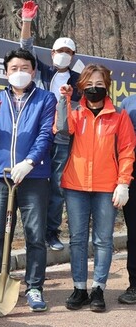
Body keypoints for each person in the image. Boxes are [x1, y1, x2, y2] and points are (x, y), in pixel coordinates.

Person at [0, 48, 56, 312]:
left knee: (34, 234)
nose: (19, 73)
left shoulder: (45, 99)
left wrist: (29, 162)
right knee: (0, 234)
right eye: (14, 68)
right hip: (2, 176)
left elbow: (46, 135)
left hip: (34, 176)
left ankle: (34, 286)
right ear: (6, 72)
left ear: (33, 71)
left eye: (25, 68)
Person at [55, 64, 135, 312]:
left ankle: (98, 288)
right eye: (88, 85)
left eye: (99, 84)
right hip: (75, 185)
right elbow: (61, 128)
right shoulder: (77, 113)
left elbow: (127, 151)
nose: (94, 89)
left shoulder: (119, 115)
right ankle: (79, 288)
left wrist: (124, 182)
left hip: (106, 186)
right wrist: (64, 99)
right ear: (81, 87)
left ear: (107, 86)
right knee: (77, 240)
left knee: (103, 239)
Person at [20, 0, 82, 251]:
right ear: (52, 54)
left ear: (73, 56)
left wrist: (71, 98)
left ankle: (51, 232)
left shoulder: (80, 80)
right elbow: (25, 49)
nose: (63, 54)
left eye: (68, 51)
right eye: (59, 50)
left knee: (57, 186)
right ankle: (32, 233)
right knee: (35, 185)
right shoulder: (43, 72)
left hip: (64, 140)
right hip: (39, 136)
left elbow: (84, 109)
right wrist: (26, 21)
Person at [119, 94, 136, 305]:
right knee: (134, 232)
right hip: (133, 174)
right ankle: (135, 285)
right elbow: (123, 142)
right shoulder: (128, 102)